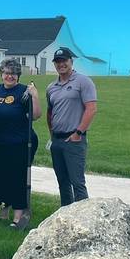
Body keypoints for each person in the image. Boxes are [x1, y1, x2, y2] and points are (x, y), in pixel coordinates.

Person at [0, 58, 41, 227]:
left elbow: (36, 115)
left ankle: (18, 216)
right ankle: (3, 213)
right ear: (1, 74)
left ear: (18, 75)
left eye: (13, 74)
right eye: (6, 73)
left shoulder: (25, 91)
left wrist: (35, 97)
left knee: (17, 179)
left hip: (19, 143)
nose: (9, 76)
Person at [46, 46, 98, 206]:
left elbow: (91, 108)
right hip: (57, 140)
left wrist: (78, 133)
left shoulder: (83, 81)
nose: (61, 64)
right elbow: (50, 113)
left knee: (77, 182)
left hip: (74, 139)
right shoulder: (51, 87)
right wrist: (51, 136)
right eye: (58, 62)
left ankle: (84, 218)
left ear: (71, 61)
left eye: (64, 61)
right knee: (62, 182)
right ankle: (65, 215)